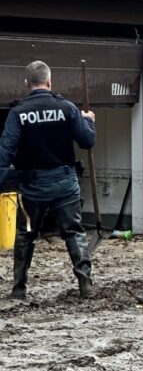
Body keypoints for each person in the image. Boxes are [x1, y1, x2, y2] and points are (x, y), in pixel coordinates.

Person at [0, 61, 96, 299]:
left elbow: (5, 153)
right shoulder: (67, 108)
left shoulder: (18, 113)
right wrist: (88, 121)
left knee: (26, 235)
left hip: (32, 190)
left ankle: (19, 289)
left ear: (26, 84)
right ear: (50, 81)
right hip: (64, 185)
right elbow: (87, 141)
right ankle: (85, 285)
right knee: (74, 232)